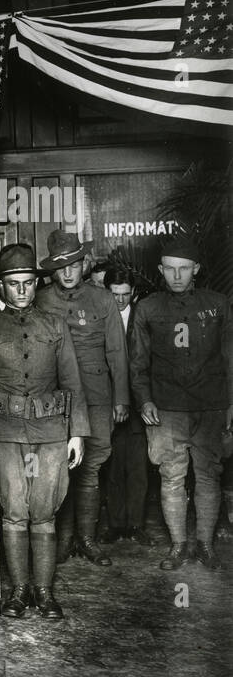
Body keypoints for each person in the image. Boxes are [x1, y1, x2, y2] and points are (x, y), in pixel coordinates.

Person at [0, 244, 89, 621]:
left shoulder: (55, 326)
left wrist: (78, 433)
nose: (21, 290)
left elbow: (72, 382)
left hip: (51, 432)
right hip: (5, 435)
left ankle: (44, 592)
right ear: (0, 287)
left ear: (36, 284)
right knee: (14, 512)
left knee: (44, 513)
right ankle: (19, 591)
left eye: (28, 283)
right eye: (13, 283)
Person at [129, 235, 233, 570]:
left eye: (184, 269)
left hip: (210, 405)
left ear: (196, 269)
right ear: (160, 270)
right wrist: (144, 401)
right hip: (167, 407)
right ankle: (178, 546)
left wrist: (231, 403)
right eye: (170, 269)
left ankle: (205, 545)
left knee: (208, 476)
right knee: (171, 476)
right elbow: (137, 363)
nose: (177, 276)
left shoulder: (218, 304)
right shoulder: (148, 308)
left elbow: (230, 357)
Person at [35, 231, 129, 567]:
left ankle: (87, 540)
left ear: (83, 263)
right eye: (61, 268)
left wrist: (121, 398)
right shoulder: (42, 301)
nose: (68, 273)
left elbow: (117, 351)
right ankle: (64, 541)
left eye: (73, 265)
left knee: (90, 469)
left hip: (96, 397)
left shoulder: (102, 300)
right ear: (53, 271)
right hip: (56, 399)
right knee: (60, 469)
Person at [100, 268, 151, 544]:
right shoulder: (101, 315)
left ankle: (136, 525)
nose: (120, 300)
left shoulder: (141, 315)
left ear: (133, 293)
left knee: (138, 467)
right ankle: (115, 525)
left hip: (138, 401)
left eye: (125, 295)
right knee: (114, 466)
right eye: (114, 294)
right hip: (109, 401)